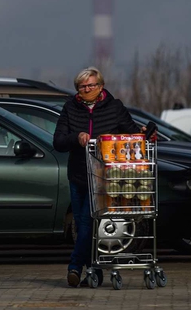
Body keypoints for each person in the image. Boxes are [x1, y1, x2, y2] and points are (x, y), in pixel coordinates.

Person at [53, 67, 141, 287]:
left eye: (91, 85)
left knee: (85, 224)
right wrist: (77, 137)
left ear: (100, 86)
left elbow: (131, 133)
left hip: (104, 177)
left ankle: (74, 266)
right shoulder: (70, 108)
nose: (87, 89)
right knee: (85, 226)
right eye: (82, 86)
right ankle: (94, 272)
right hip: (79, 174)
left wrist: (144, 133)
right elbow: (59, 142)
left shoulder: (114, 107)